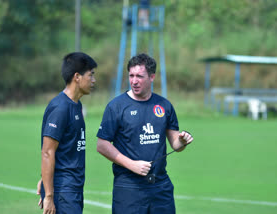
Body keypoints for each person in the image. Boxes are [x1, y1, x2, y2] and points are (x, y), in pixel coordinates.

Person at [96, 53, 193, 214]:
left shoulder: (164, 106)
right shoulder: (116, 107)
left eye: (139, 76)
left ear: (152, 77)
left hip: (160, 187)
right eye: (131, 76)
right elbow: (102, 145)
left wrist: (182, 141)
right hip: (128, 188)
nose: (134, 81)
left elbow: (175, 144)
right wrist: (131, 164)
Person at [36, 52, 97, 214]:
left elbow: (62, 149)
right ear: (77, 77)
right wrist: (49, 195)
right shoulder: (61, 108)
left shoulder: (76, 105)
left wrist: (45, 179)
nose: (93, 80)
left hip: (73, 189)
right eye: (90, 75)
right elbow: (47, 152)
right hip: (63, 191)